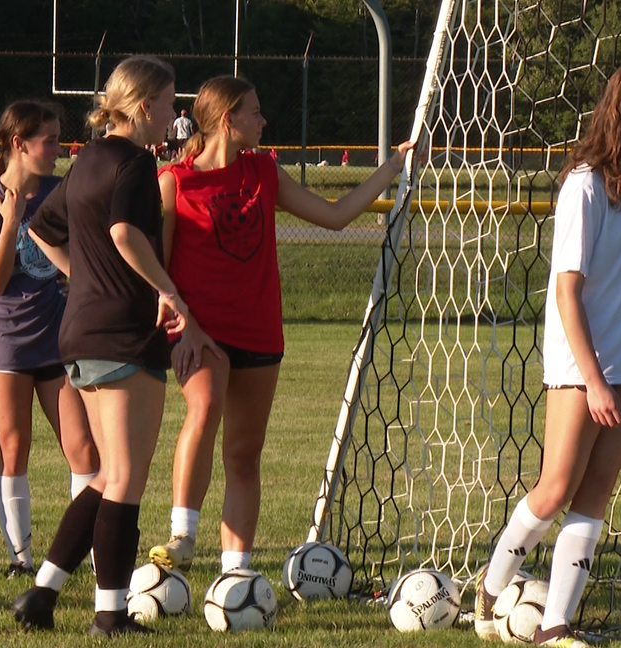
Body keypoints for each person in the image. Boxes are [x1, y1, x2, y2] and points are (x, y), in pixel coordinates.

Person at [148, 75, 418, 576]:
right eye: (254, 111)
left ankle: (237, 573)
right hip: (202, 332)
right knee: (204, 407)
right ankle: (182, 535)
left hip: (260, 332)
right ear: (228, 119)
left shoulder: (264, 171)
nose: (263, 120)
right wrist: (184, 327)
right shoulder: (175, 182)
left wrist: (393, 169)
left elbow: (335, 216)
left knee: (244, 456)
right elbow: (159, 271)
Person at [472, 66, 621, 648]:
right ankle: (488, 595)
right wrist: (592, 380)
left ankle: (555, 624)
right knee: (556, 486)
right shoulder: (584, 185)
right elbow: (567, 290)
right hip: (583, 367)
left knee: (598, 489)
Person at [11, 54, 190, 636]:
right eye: (167, 103)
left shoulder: (85, 162)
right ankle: (110, 615)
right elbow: (123, 232)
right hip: (120, 332)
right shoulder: (135, 161)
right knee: (126, 480)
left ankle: (42, 595)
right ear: (142, 107)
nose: (173, 114)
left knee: (105, 476)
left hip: (80, 330)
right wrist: (167, 289)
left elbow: (40, 228)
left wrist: (82, 278)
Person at [0, 100, 99, 579]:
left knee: (83, 446)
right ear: (19, 145)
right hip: (5, 343)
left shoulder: (62, 192)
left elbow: (81, 259)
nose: (58, 150)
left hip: (58, 337)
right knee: (14, 446)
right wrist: (11, 220)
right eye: (49, 141)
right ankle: (22, 558)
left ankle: (92, 550)